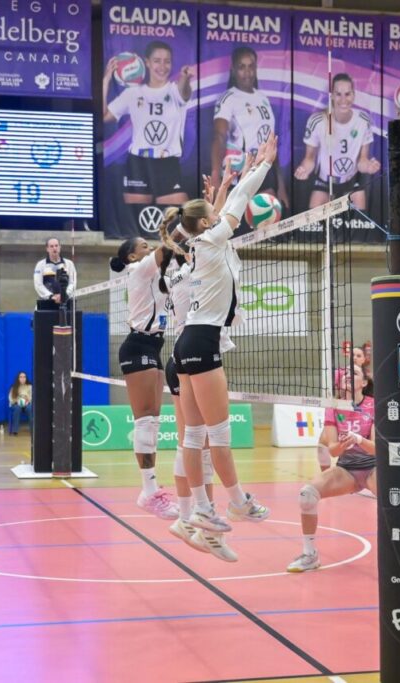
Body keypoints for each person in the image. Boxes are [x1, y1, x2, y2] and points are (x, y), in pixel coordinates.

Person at [165, 134, 282, 540]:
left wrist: (232, 180)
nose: (220, 216)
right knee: (217, 435)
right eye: (213, 215)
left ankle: (201, 508)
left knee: (193, 436)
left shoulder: (201, 243)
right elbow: (237, 204)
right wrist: (263, 165)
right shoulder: (213, 239)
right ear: (205, 224)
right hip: (201, 343)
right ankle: (237, 500)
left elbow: (222, 208)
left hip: (185, 345)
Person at [159, 172, 239, 563]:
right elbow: (213, 231)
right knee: (200, 443)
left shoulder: (182, 267)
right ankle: (197, 521)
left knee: (193, 442)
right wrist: (219, 202)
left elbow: (208, 227)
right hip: (191, 356)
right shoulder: (192, 267)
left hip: (180, 356)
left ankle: (192, 519)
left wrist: (218, 194)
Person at [109, 236, 186, 520]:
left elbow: (174, 256)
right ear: (132, 257)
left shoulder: (158, 273)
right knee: (144, 422)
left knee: (153, 422)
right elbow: (167, 247)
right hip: (137, 346)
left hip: (154, 346)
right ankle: (148, 492)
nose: (149, 247)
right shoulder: (139, 268)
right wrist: (182, 224)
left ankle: (152, 490)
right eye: (143, 246)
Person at [287, 363, 375, 572]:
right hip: (347, 469)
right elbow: (333, 451)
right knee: (307, 495)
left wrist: (358, 439)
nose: (348, 375)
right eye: (345, 373)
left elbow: (376, 449)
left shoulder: (374, 405)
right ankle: (310, 555)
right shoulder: (333, 407)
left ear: (364, 382)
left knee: (396, 500)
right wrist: (344, 444)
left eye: (354, 373)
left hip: (373, 467)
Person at [103, 41, 192, 207]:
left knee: (181, 215)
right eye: (157, 61)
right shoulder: (132, 93)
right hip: (138, 164)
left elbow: (184, 93)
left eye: (167, 61)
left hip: (167, 163)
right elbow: (105, 116)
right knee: (137, 218)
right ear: (147, 62)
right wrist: (106, 80)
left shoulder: (175, 90)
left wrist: (185, 78)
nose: (162, 66)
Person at [211, 47, 289, 208]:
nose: (247, 72)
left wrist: (280, 185)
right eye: (242, 67)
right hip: (240, 171)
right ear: (233, 69)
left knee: (267, 219)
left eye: (251, 66)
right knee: (237, 219)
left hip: (264, 171)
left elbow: (270, 143)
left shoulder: (263, 99)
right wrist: (216, 175)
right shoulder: (228, 98)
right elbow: (219, 136)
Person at [294, 73, 380, 211]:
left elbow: (362, 161)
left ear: (353, 95)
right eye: (338, 94)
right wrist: (303, 170)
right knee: (314, 217)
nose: (343, 99)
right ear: (332, 96)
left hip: (351, 181)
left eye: (347, 94)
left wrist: (369, 167)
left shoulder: (363, 120)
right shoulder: (317, 121)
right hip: (324, 182)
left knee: (360, 217)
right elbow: (309, 159)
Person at [33, 238, 77, 311]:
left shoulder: (69, 264)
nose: (54, 248)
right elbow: (38, 285)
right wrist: (51, 296)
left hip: (65, 303)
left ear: (60, 247)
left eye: (56, 246)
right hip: (46, 303)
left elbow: (72, 283)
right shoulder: (40, 265)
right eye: (51, 246)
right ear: (47, 249)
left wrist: (64, 295)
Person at [7, 372, 32, 436]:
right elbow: (10, 398)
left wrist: (28, 400)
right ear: (18, 378)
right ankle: (15, 430)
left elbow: (32, 397)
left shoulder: (30, 387)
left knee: (30, 408)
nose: (23, 378)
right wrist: (17, 401)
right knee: (17, 408)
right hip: (16, 404)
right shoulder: (14, 387)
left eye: (24, 377)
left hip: (27, 404)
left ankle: (33, 429)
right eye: (21, 377)